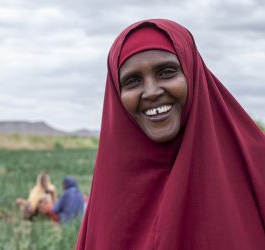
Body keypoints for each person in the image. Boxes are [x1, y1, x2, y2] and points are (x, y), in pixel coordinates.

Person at [76, 19, 265, 249]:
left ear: (192, 73)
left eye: (166, 72)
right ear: (117, 93)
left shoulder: (256, 165)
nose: (152, 92)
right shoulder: (108, 195)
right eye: (132, 81)